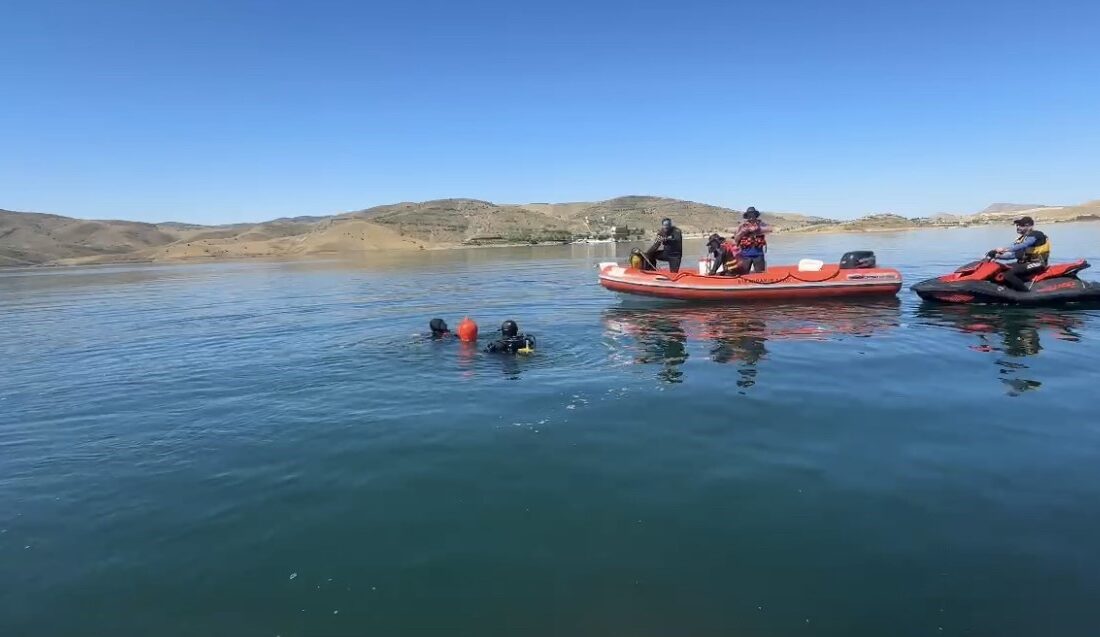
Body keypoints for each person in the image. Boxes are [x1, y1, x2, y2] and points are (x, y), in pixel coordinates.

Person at [988, 216, 1050, 292]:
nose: (1018, 227)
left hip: (1038, 263)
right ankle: (1004, 288)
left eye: (1020, 225)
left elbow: (1024, 245)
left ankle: (1025, 292)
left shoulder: (1037, 234)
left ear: (1028, 226)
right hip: (1025, 263)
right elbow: (1012, 255)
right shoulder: (1021, 239)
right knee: (1000, 269)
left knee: (1008, 274)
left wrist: (1003, 249)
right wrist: (996, 256)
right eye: (1017, 225)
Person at [733, 207, 771, 273]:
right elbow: (736, 239)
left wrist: (758, 229)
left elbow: (770, 230)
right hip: (745, 255)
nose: (751, 217)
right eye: (749, 216)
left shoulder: (761, 224)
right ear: (747, 217)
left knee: (760, 274)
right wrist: (742, 232)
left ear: (755, 215)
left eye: (752, 215)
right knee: (743, 274)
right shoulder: (742, 226)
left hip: (758, 254)